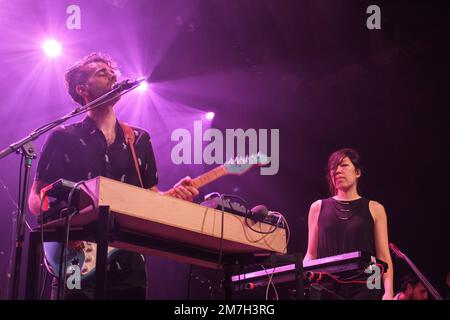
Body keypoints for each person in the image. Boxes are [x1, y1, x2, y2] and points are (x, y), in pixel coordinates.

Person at [27, 52, 199, 299]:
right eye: (102, 73)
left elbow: (151, 199)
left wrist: (175, 197)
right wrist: (63, 228)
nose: (113, 76)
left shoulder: (139, 140)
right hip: (75, 259)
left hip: (128, 266)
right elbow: (37, 196)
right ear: (82, 89)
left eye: (113, 72)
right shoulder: (63, 137)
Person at [303, 148, 394, 300]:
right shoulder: (317, 207)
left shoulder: (375, 208)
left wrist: (388, 292)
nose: (337, 170)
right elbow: (311, 254)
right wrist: (299, 279)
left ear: (357, 172)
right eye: (333, 168)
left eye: (344, 165)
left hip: (368, 283)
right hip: (328, 285)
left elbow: (383, 255)